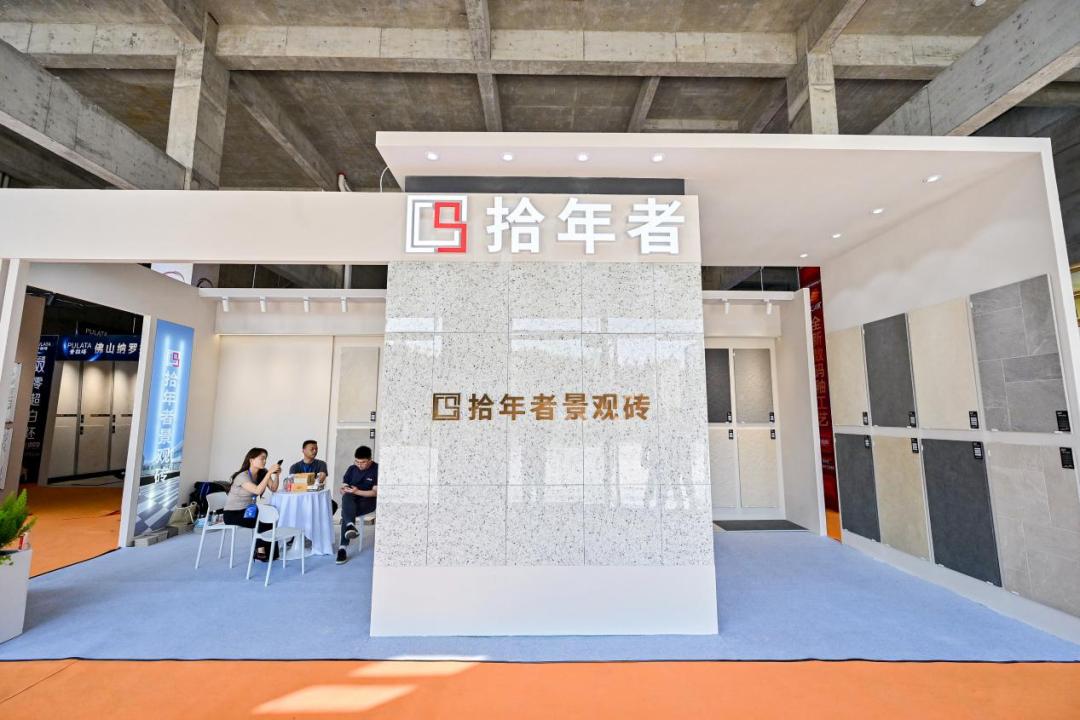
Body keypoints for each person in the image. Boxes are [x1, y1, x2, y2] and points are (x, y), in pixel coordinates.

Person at [223, 447, 281, 562]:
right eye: (262, 458)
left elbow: (273, 488)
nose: (264, 461)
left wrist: (276, 475)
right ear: (251, 460)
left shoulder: (262, 473)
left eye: (265, 459)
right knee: (264, 518)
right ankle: (260, 552)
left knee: (269, 514)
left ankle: (270, 553)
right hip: (233, 513)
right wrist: (269, 472)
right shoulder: (242, 476)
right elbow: (257, 490)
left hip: (248, 510)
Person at [336, 445, 377, 565]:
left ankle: (342, 548)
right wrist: (343, 490)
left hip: (368, 501)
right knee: (347, 497)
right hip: (351, 500)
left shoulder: (377, 469)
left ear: (370, 460)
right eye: (357, 462)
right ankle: (350, 526)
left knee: (345, 513)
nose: (359, 465)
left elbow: (375, 493)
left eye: (363, 462)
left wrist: (357, 491)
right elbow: (343, 486)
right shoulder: (351, 469)